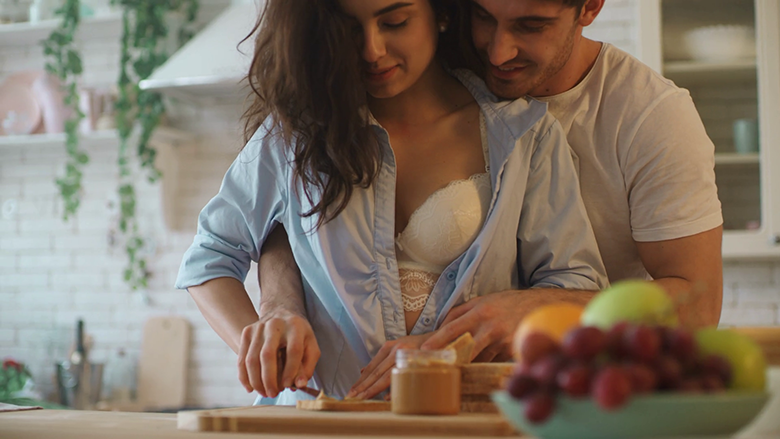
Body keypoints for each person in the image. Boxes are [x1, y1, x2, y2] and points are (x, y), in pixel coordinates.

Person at [256, 0, 725, 399]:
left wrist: (538, 308)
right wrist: (279, 304)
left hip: (587, 400)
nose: (498, 51)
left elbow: (697, 308)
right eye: (482, 16)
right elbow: (283, 213)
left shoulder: (650, 117)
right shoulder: (411, 66)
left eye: (531, 25)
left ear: (590, 7)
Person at [176, 0, 607, 405]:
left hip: (460, 422)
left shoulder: (523, 134)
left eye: (395, 22)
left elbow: (577, 286)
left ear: (438, 13)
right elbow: (209, 258)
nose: (372, 50)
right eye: (347, 30)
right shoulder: (296, 135)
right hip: (316, 423)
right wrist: (262, 337)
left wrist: (465, 338)